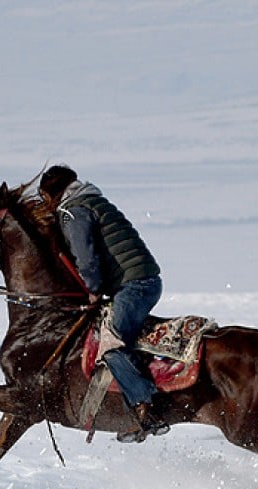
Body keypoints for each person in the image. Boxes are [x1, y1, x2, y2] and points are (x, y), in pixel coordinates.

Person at [37, 164, 168, 442]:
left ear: (53, 193)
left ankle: (144, 411)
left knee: (111, 345)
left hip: (134, 286)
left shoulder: (73, 211)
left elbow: (87, 259)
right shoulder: (92, 201)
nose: (45, 204)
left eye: (44, 197)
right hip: (140, 282)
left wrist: (93, 292)